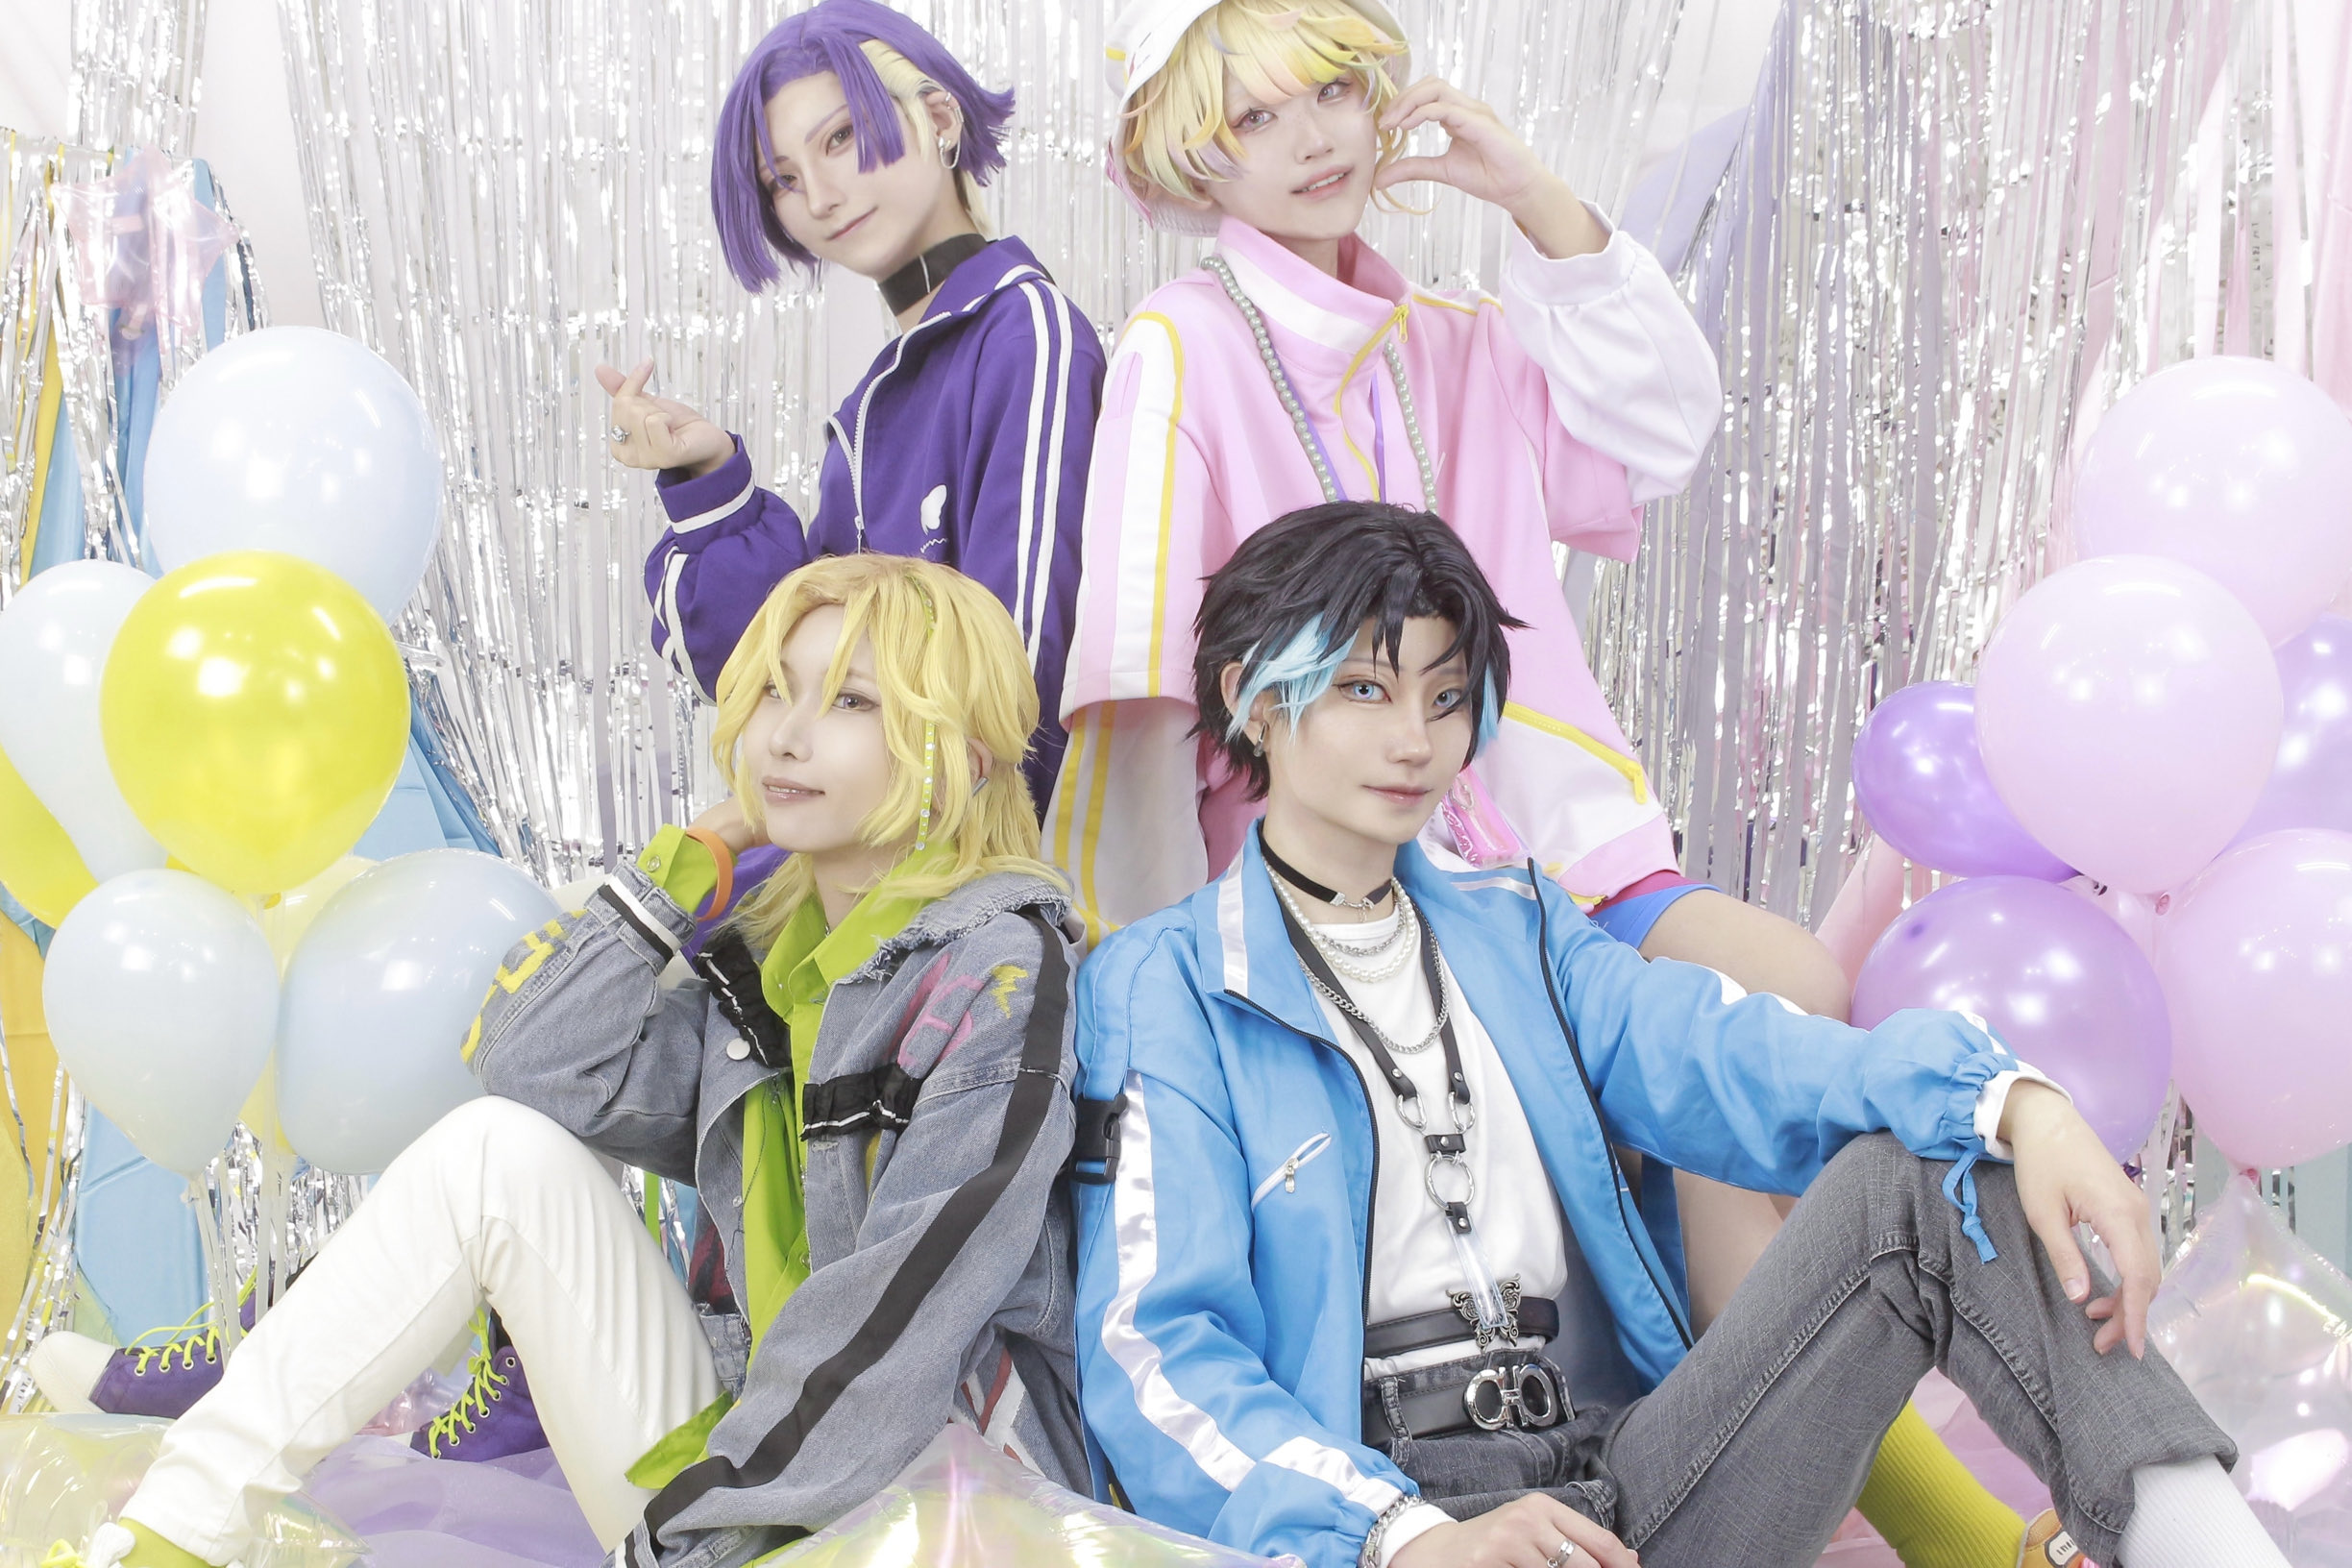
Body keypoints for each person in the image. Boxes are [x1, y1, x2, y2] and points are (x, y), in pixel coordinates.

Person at [1050, 5, 2022, 1560]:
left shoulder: (1455, 333)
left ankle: (1776, 1472)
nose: (1309, 138)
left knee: (1776, 992)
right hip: (1333, 871)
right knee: (1713, 1095)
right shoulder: (1182, 340)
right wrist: (1156, 949)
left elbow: (1654, 434)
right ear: (1188, 156)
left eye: (1332, 92)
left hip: (1547, 844)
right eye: (1250, 119)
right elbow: (1141, 663)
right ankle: (1873, 1505)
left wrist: (1534, 201)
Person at [1067, 503, 2280, 1568]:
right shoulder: (1166, 988)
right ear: (1253, 698)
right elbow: (1158, 1349)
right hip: (1388, 1517)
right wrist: (1400, 1534)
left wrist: (2016, 1101)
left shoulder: (1521, 928)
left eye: (1445, 697)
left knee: (1932, 1171)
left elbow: (1729, 1053)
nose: (1415, 740)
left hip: (1627, 1483)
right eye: (1364, 691)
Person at [73, 555, 1086, 1568]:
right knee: (491, 1151)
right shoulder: (769, 967)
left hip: (931, 1511)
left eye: (852, 702)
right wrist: (690, 856)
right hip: (743, 1476)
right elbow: (532, 1064)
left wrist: (687, 1547)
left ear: (966, 759)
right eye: (778, 689)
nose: (786, 733)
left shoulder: (997, 971)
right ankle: (167, 1537)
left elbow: (901, 1325)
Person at [602, 0, 1104, 809]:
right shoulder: (880, 395)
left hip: (949, 859)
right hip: (856, 849)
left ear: (938, 118)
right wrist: (712, 479)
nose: (821, 195)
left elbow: (1018, 677)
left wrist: (929, 872)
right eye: (784, 180)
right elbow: (775, 671)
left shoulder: (1025, 332)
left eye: (840, 138)